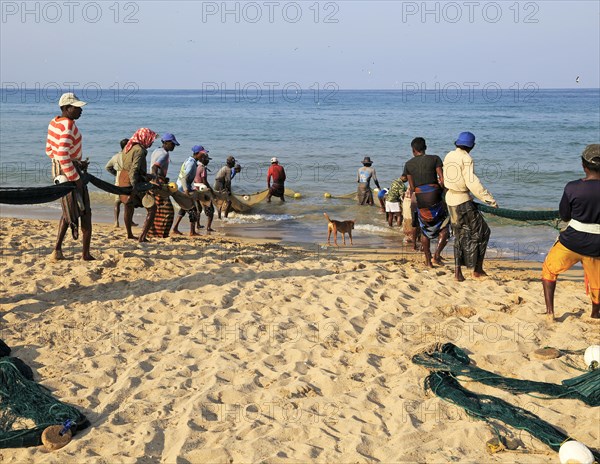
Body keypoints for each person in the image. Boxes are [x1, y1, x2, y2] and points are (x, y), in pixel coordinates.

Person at [542, 144, 600, 320]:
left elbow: (565, 216)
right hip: (597, 246)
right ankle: (596, 312)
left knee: (549, 269)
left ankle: (550, 312)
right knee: (597, 282)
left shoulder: (572, 187)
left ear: (583, 166)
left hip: (572, 241)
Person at [443, 131, 498, 281]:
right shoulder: (467, 158)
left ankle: (457, 272)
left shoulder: (449, 155)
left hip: (450, 199)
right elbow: (472, 182)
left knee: (459, 235)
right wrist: (490, 200)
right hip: (462, 201)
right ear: (472, 146)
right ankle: (477, 269)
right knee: (484, 232)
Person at [46, 92, 94, 260]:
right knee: (85, 211)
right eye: (77, 108)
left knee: (69, 210)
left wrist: (76, 161)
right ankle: (85, 254)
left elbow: (50, 150)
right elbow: (62, 153)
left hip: (59, 170)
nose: (81, 111)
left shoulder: (54, 122)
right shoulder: (68, 125)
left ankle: (57, 250)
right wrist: (76, 177)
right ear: (66, 108)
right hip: (68, 172)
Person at [405, 137, 450, 267]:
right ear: (425, 148)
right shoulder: (435, 158)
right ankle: (437, 255)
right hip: (434, 195)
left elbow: (412, 187)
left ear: (413, 150)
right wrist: (443, 191)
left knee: (424, 230)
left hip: (420, 197)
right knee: (444, 226)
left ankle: (427, 261)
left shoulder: (409, 164)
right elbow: (442, 179)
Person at [118, 128, 159, 242]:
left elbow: (129, 166)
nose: (151, 142)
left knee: (128, 206)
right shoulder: (139, 150)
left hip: (123, 178)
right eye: (150, 140)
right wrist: (135, 187)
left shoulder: (129, 147)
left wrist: (145, 175)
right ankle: (143, 236)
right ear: (145, 138)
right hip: (133, 180)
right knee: (152, 208)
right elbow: (134, 169)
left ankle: (130, 234)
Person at [147, 133, 180, 238]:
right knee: (168, 212)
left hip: (152, 183)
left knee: (156, 210)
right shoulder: (164, 154)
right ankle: (161, 235)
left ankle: (152, 233)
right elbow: (154, 168)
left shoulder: (156, 151)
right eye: (172, 144)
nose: (173, 146)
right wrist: (158, 181)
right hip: (157, 185)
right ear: (165, 143)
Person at [172, 146, 205, 236]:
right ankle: (192, 232)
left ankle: (175, 228)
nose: (203, 156)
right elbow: (183, 178)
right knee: (193, 210)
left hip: (180, 188)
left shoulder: (190, 160)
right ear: (197, 153)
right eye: (202, 154)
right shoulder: (191, 164)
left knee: (184, 208)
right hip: (182, 188)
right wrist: (186, 190)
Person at [105, 138, 135, 228]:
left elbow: (107, 167)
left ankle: (116, 222)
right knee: (129, 203)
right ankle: (130, 221)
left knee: (117, 203)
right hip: (127, 181)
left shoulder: (116, 156)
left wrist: (115, 173)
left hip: (118, 181)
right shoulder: (130, 156)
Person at [193, 147, 215, 232]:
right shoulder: (203, 168)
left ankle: (197, 224)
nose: (208, 161)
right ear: (203, 159)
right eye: (207, 159)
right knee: (210, 210)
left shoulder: (196, 166)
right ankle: (208, 227)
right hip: (202, 190)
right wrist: (211, 190)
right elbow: (204, 181)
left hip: (195, 189)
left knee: (198, 209)